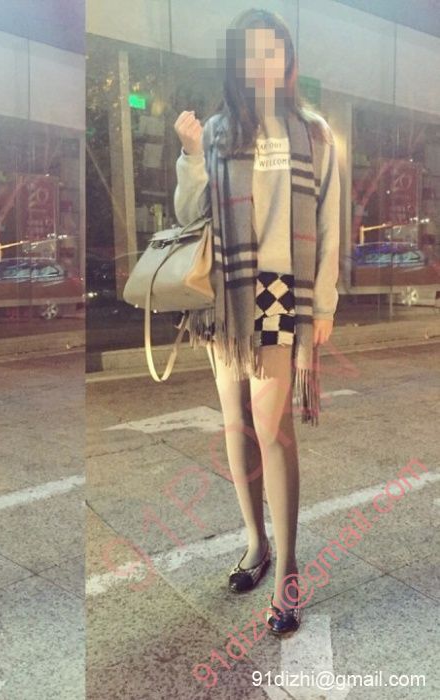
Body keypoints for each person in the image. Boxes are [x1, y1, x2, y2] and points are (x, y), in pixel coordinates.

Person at [173, 8, 340, 635]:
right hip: (228, 293)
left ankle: (287, 569)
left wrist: (322, 307)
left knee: (273, 429)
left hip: (281, 292)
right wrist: (191, 156)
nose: (262, 63)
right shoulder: (218, 130)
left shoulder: (314, 133)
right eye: (251, 52)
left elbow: (328, 224)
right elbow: (190, 213)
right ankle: (255, 542)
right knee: (236, 423)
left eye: (273, 51)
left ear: (287, 60)